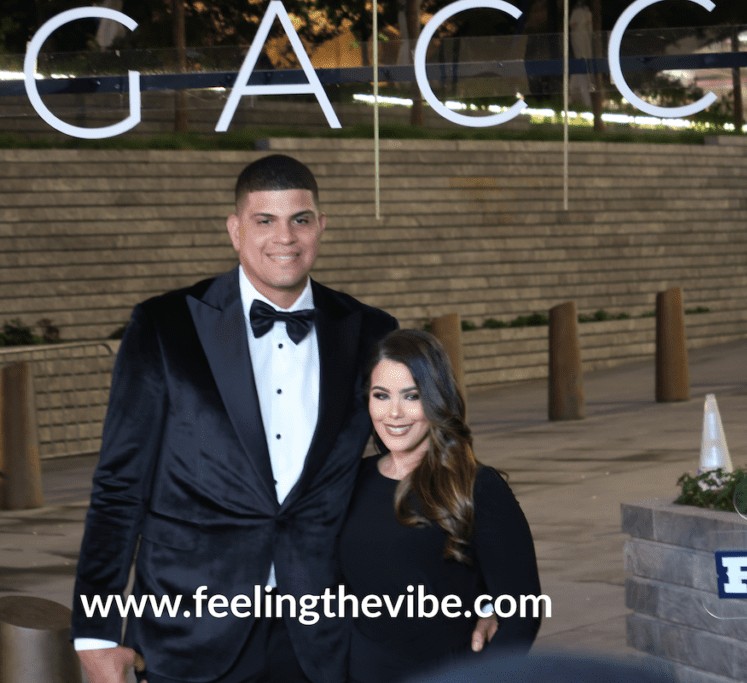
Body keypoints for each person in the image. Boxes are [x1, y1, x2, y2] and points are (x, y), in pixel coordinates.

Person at [72, 153, 416, 683]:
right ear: (235, 230)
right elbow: (120, 486)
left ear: (320, 227)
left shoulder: (370, 329)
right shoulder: (165, 325)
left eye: (299, 220)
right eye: (265, 220)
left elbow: (414, 465)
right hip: (188, 627)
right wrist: (94, 633)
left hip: (322, 631)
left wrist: (477, 585)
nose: (285, 237)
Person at [338, 329, 543, 683]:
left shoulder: (477, 486)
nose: (395, 413)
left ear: (436, 398)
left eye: (412, 396)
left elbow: (522, 611)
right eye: (381, 395)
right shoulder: (349, 481)